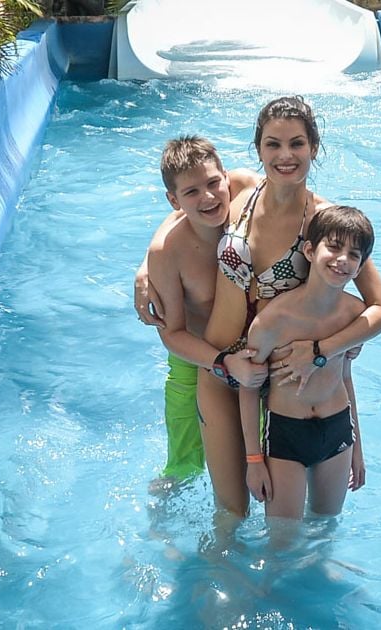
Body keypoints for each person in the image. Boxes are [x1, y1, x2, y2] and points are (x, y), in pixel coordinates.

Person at [195, 96, 381, 517]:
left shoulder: (326, 225)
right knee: (230, 512)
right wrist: (148, 265)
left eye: (297, 144)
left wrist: (322, 351)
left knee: (298, 518)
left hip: (288, 378)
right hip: (222, 367)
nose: (285, 156)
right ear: (258, 148)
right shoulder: (240, 188)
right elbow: (184, 206)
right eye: (273, 144)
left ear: (314, 148)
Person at [144, 136, 270, 486]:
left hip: (257, 349)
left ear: (226, 176)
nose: (209, 197)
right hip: (197, 354)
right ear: (173, 200)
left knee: (263, 454)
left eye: (214, 183)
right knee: (181, 467)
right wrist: (221, 362)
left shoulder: (248, 187)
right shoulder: (169, 252)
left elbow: (307, 216)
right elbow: (172, 333)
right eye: (192, 193)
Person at [239, 205, 376, 520]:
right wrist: (254, 460)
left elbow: (345, 377)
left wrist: (357, 447)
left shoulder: (354, 315)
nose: (343, 259)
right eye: (334, 247)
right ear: (310, 251)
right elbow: (248, 389)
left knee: (326, 523)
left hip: (337, 426)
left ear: (360, 267)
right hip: (287, 432)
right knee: (282, 540)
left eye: (354, 255)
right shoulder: (273, 321)